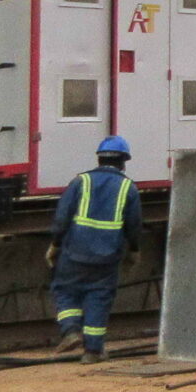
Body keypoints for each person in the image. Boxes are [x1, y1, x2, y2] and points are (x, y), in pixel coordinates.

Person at [47, 135, 143, 363]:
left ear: (99, 159)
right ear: (123, 162)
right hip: (107, 257)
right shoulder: (128, 187)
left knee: (65, 290)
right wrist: (134, 251)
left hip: (74, 252)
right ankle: (92, 352)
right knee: (99, 298)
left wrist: (55, 244)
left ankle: (70, 331)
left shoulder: (81, 182)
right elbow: (134, 224)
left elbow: (62, 218)